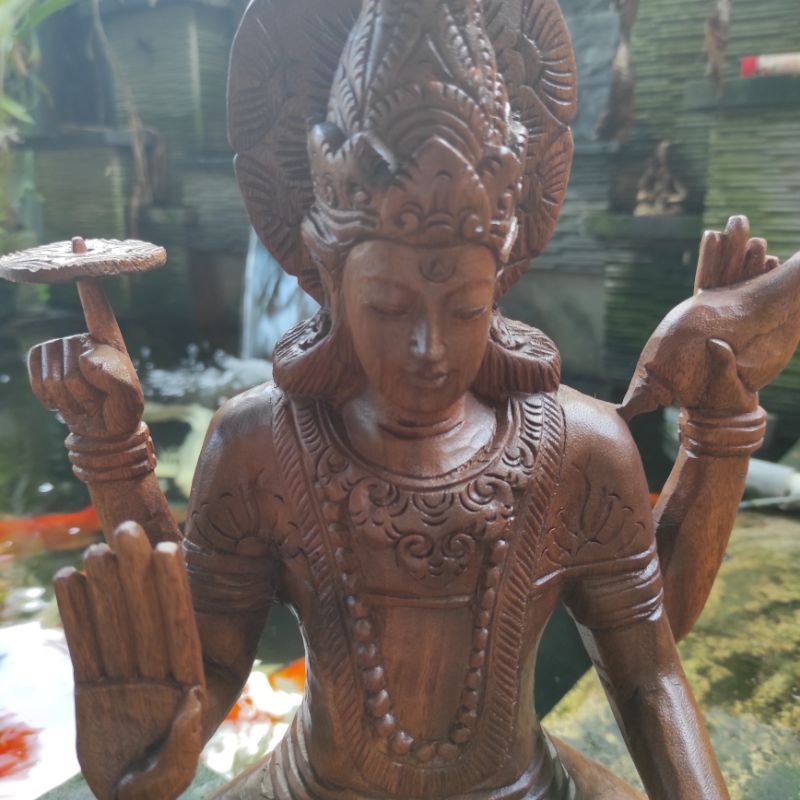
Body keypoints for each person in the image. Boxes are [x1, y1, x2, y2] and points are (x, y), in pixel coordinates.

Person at [32, 1, 798, 798]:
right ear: (330, 279)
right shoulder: (257, 443)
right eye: (389, 308)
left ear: (502, 281)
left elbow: (646, 674)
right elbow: (213, 663)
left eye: (464, 308)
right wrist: (153, 750)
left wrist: (721, 423)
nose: (429, 348)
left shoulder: (582, 444)